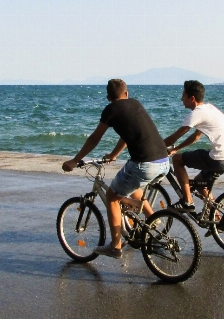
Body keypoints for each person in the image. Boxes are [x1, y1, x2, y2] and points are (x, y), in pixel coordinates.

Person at [62, 79, 170, 259]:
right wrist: (114, 154)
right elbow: (128, 135)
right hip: (164, 162)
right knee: (133, 184)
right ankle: (152, 218)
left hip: (145, 165)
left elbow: (94, 139)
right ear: (126, 94)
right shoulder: (135, 103)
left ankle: (116, 246)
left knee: (112, 196)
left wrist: (75, 160)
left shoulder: (110, 110)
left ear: (108, 97)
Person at [163, 80, 224, 235]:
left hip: (220, 158)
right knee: (201, 184)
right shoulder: (209, 109)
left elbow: (174, 137)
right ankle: (217, 219)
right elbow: (196, 136)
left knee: (177, 160)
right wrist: (176, 149)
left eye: (183, 96)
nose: (181, 99)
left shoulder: (196, 114)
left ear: (192, 98)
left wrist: (157, 147)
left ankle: (187, 201)